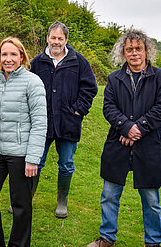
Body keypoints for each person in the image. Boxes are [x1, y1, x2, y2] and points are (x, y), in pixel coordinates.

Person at [87, 29, 161, 247]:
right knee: (109, 194)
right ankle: (107, 238)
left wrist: (139, 129)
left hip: (149, 145)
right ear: (123, 53)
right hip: (118, 143)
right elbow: (108, 108)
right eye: (129, 50)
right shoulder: (114, 78)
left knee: (151, 200)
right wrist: (125, 127)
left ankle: (153, 241)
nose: (134, 53)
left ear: (147, 51)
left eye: (138, 49)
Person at [0, 37, 47, 247]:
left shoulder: (33, 82)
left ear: (22, 57)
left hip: (21, 154)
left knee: (21, 204)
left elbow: (40, 123)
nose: (8, 59)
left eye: (13, 54)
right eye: (4, 54)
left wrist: (33, 158)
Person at [25, 21, 97, 218]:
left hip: (68, 122)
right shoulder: (36, 62)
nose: (56, 42)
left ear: (66, 39)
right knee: (36, 161)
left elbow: (90, 88)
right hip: (42, 123)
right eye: (53, 38)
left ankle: (62, 202)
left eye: (60, 38)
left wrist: (78, 110)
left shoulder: (79, 61)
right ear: (47, 38)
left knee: (66, 163)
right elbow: (26, 89)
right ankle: (26, 199)